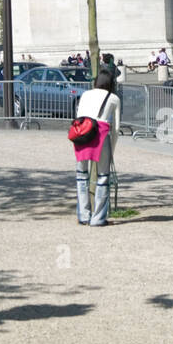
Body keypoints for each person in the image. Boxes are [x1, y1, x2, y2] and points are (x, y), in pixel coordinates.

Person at [74, 70, 121, 227]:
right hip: (101, 134)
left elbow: (78, 114)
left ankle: (83, 214)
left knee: (81, 175)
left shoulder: (85, 94)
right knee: (103, 177)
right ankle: (98, 217)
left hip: (81, 132)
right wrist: (111, 150)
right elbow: (116, 128)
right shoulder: (113, 98)